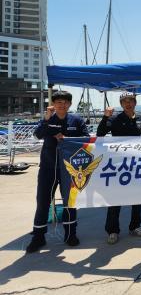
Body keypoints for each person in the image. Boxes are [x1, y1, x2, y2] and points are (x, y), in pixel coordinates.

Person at [26, 90, 90, 253]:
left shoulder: (76, 120)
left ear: (70, 104)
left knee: (70, 202)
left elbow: (86, 140)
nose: (62, 105)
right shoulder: (48, 119)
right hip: (48, 168)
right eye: (58, 102)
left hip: (69, 169)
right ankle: (38, 237)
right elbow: (37, 135)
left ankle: (70, 234)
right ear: (53, 104)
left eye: (65, 102)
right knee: (43, 202)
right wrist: (46, 119)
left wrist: (66, 139)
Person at [96, 92, 141, 244]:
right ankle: (112, 230)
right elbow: (100, 133)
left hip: (136, 163)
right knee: (115, 198)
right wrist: (105, 117)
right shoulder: (114, 118)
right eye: (124, 101)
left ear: (135, 103)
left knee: (137, 197)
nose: (128, 103)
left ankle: (135, 226)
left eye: (130, 101)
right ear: (121, 104)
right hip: (118, 164)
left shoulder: (140, 119)